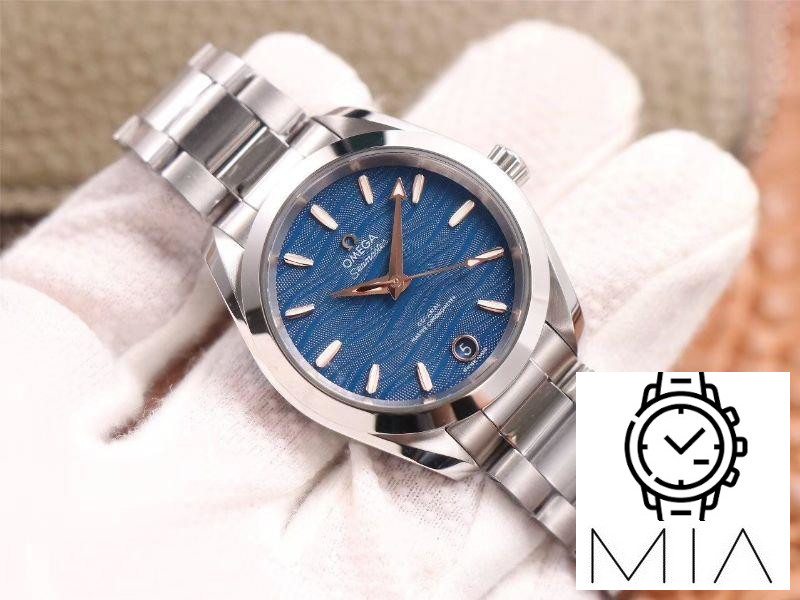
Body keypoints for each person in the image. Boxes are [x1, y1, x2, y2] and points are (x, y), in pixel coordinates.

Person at [0, 22, 757, 599]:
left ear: (497, 181)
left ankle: (673, 540)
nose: (394, 286)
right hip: (421, 405)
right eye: (384, 285)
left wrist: (666, 549)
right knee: (671, 523)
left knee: (683, 192)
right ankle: (673, 541)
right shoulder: (266, 316)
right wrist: (661, 554)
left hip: (511, 340)